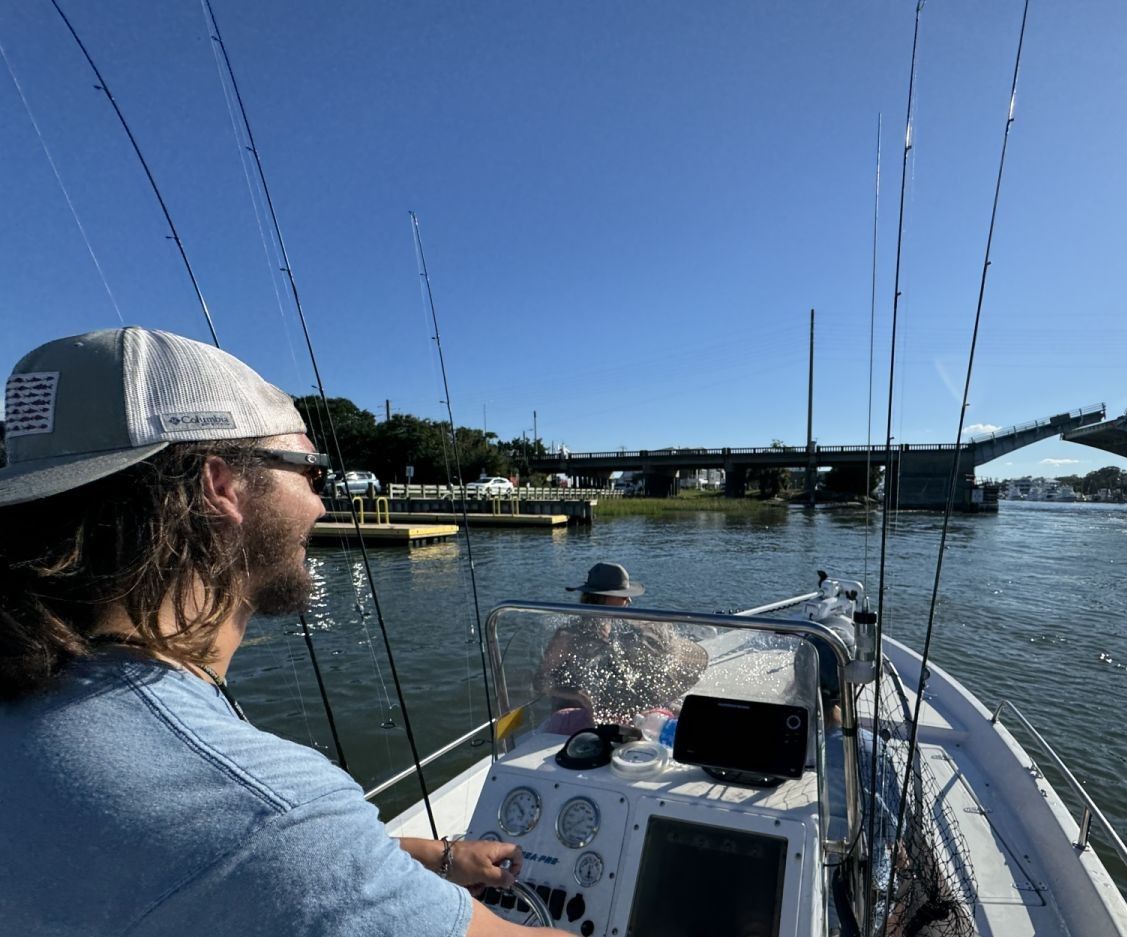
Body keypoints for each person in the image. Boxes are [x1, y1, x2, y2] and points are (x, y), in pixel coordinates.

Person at [0, 327, 567, 937]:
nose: (322, 505)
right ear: (222, 486)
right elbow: (262, 838)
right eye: (312, 471)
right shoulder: (263, 808)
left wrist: (432, 855)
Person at [536, 562, 708, 728]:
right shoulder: (567, 635)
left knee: (684, 715)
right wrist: (579, 696)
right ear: (601, 597)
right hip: (576, 714)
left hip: (607, 709)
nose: (630, 600)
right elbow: (540, 682)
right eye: (622, 595)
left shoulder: (614, 626)